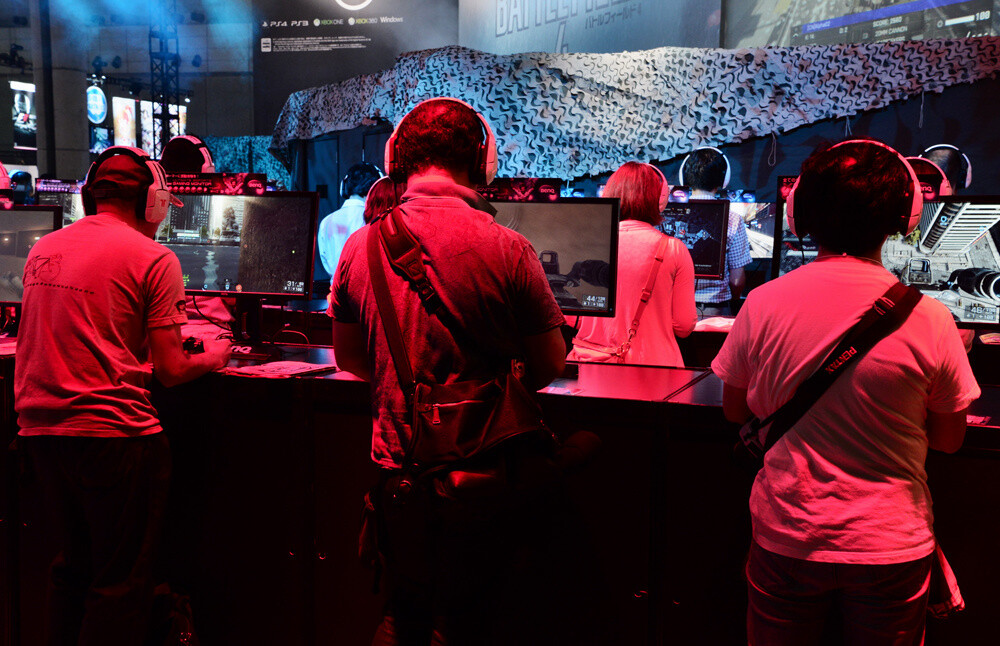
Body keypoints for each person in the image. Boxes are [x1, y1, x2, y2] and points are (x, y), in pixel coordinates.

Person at [711, 139, 980, 644]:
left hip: (787, 535)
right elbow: (949, 440)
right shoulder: (931, 318)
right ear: (906, 218)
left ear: (799, 215)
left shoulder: (764, 303)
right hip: (890, 544)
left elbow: (733, 408)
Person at [329, 97, 566, 644]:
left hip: (399, 474)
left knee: (405, 607)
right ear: (484, 163)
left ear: (398, 160)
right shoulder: (509, 247)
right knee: (467, 617)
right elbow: (549, 365)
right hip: (483, 473)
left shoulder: (360, 247)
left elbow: (350, 358)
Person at [15, 147, 232, 645]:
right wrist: (217, 356)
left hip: (41, 435)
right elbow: (173, 369)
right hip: (115, 438)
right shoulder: (154, 257)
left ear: (90, 196)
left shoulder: (42, 249)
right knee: (119, 586)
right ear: (151, 203)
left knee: (72, 570)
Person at [568, 162, 696, 366]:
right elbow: (683, 326)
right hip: (654, 372)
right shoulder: (674, 249)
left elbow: (570, 317)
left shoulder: (587, 246)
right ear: (660, 200)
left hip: (589, 367)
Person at [680, 147, 751, 316]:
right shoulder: (733, 219)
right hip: (716, 310)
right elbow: (736, 279)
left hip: (674, 309)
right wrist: (734, 301)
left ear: (684, 177)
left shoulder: (670, 215)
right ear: (723, 180)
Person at [318, 162, 383, 275]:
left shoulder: (326, 221)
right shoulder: (374, 219)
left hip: (335, 290)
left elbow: (325, 260)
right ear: (376, 188)